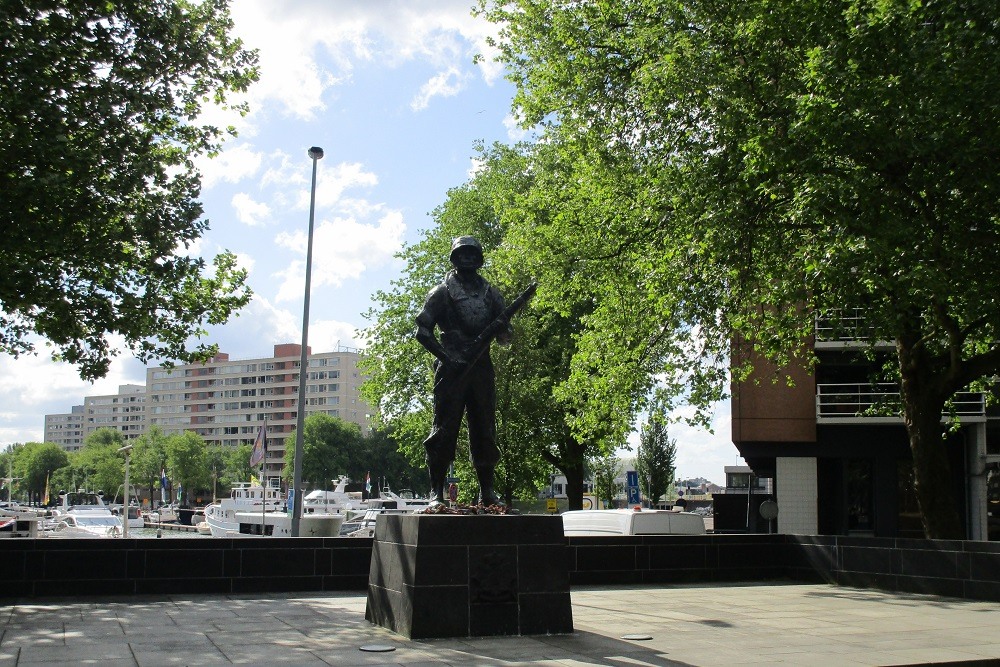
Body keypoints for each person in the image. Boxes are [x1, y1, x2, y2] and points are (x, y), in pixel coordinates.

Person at [415, 236, 512, 506]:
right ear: (454, 258)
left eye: (473, 253)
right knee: (444, 430)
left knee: (485, 429)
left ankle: (487, 492)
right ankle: (436, 492)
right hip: (451, 370)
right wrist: (447, 357)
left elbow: (505, 338)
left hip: (481, 369)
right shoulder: (441, 293)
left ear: (480, 259)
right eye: (462, 253)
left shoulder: (491, 294)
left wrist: (504, 327)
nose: (468, 258)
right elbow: (422, 331)